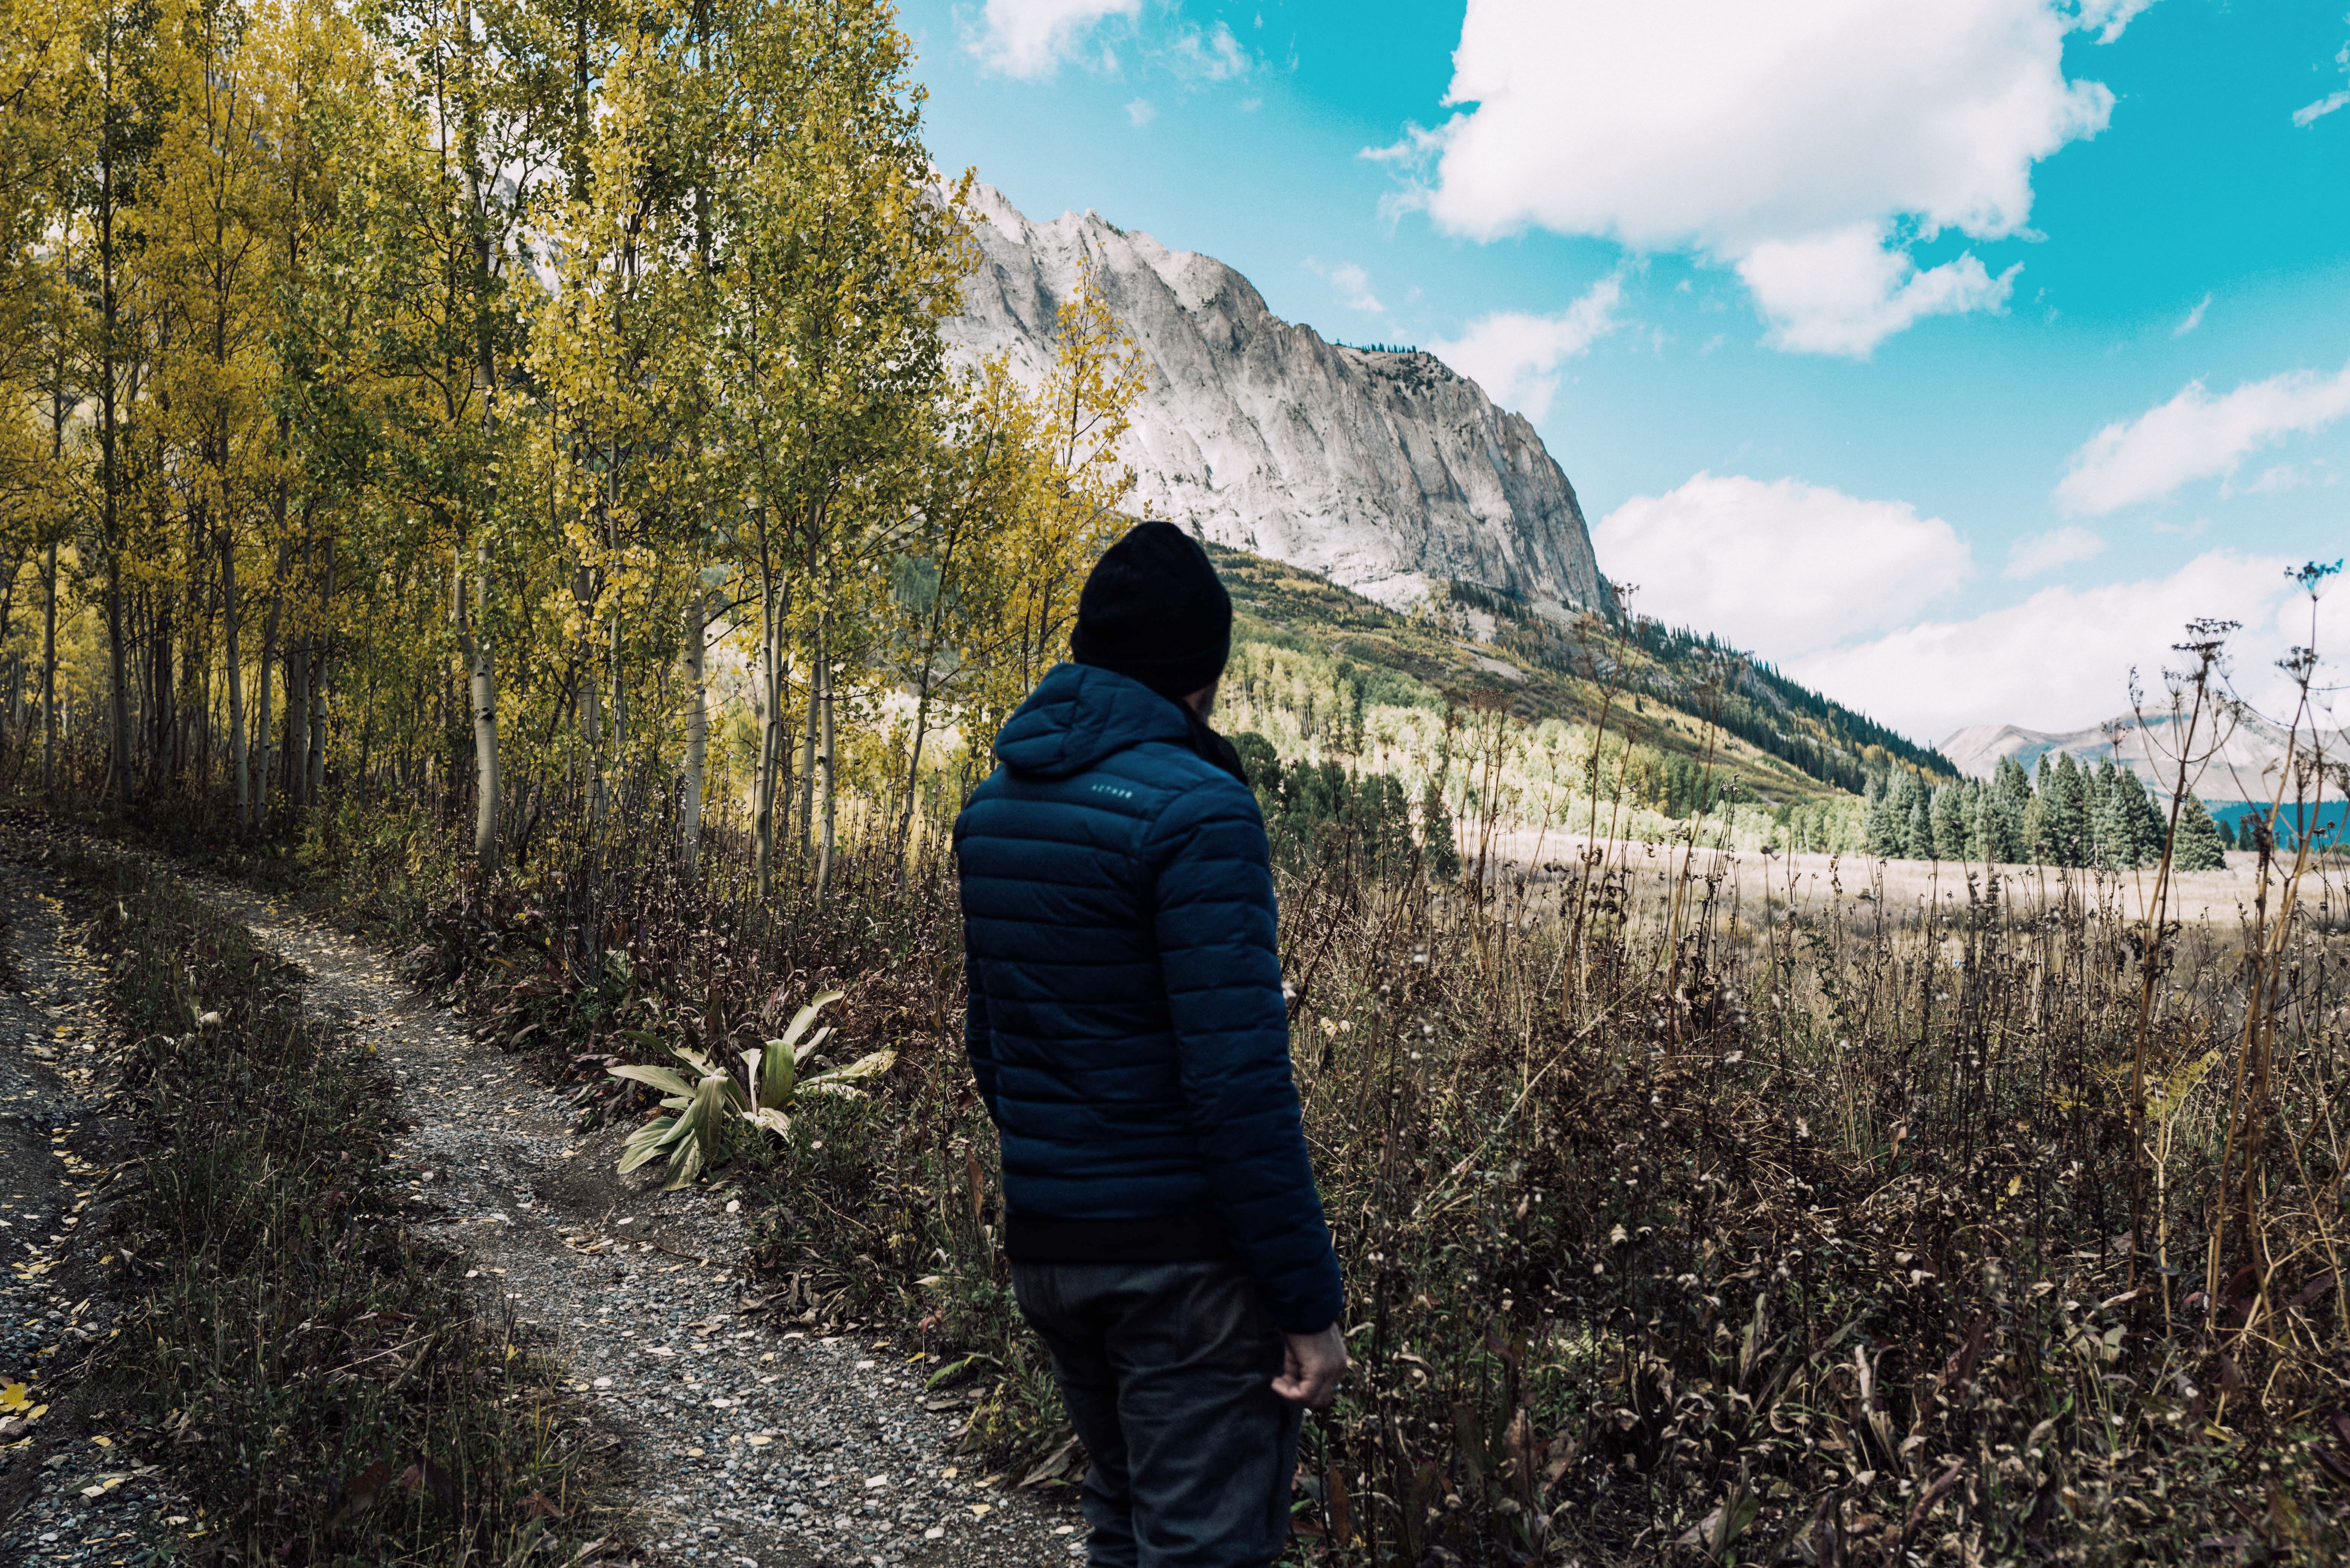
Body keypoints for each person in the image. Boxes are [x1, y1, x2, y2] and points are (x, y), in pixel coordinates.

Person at [953, 521, 1347, 1568]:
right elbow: (1238, 1087)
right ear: (1201, 670)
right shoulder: (1200, 813)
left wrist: (1073, 1170)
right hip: (1182, 1271)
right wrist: (1307, 1304)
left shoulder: (992, 808)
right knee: (1201, 1547)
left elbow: (988, 1044)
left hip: (1054, 1250)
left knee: (1123, 1526)